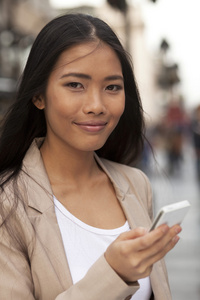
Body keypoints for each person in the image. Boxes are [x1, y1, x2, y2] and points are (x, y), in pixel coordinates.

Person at [0, 13, 182, 300]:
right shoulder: (8, 202)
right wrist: (114, 274)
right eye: (75, 85)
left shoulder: (135, 184)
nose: (97, 105)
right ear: (38, 96)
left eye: (112, 87)